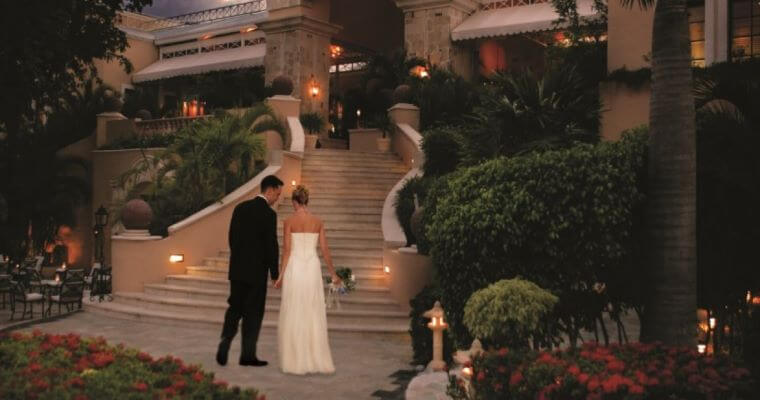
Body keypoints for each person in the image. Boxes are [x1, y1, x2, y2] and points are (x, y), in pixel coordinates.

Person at [216, 175, 283, 367]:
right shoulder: (269, 215)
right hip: (256, 274)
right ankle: (247, 355)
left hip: (237, 270)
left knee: (235, 307)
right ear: (269, 190)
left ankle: (225, 341)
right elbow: (271, 245)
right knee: (253, 314)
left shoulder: (240, 208)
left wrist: (238, 259)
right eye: (277, 194)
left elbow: (232, 237)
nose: (277, 198)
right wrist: (274, 273)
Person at [274, 185, 339, 374]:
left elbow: (286, 251)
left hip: (295, 268)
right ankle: (315, 358)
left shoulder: (289, 221)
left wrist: (281, 275)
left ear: (295, 202)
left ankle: (295, 360)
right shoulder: (318, 222)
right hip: (311, 268)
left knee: (294, 309)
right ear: (306, 201)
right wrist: (333, 273)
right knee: (312, 310)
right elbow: (325, 250)